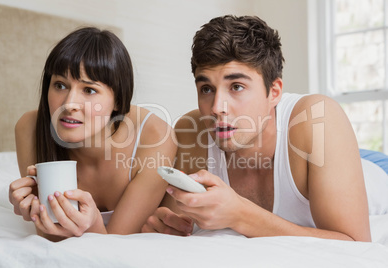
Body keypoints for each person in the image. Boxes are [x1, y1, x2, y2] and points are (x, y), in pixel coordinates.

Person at [141, 15, 388, 241]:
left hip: (374, 168)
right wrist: (165, 225)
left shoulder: (317, 119)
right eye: (207, 88)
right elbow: (171, 220)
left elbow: (355, 244)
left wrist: (241, 215)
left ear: (274, 92)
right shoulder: (192, 130)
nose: (217, 107)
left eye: (236, 86)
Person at [9, 27, 177, 241]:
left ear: (117, 99)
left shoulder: (155, 135)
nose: (69, 104)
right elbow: (50, 239)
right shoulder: (30, 128)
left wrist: (93, 224)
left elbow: (114, 249)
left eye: (89, 90)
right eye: (60, 85)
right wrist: (36, 212)